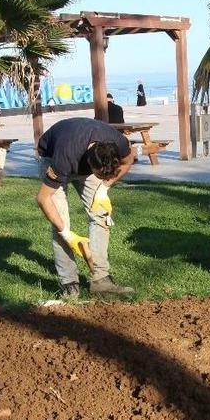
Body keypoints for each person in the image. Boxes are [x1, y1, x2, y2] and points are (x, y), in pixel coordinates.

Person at [36, 117, 136, 300]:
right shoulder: (65, 157)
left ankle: (100, 280)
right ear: (90, 164)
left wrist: (104, 188)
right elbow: (43, 198)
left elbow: (128, 161)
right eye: (99, 175)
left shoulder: (119, 143)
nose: (102, 178)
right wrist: (67, 234)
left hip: (83, 155)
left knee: (101, 214)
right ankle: (69, 284)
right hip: (53, 155)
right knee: (60, 224)